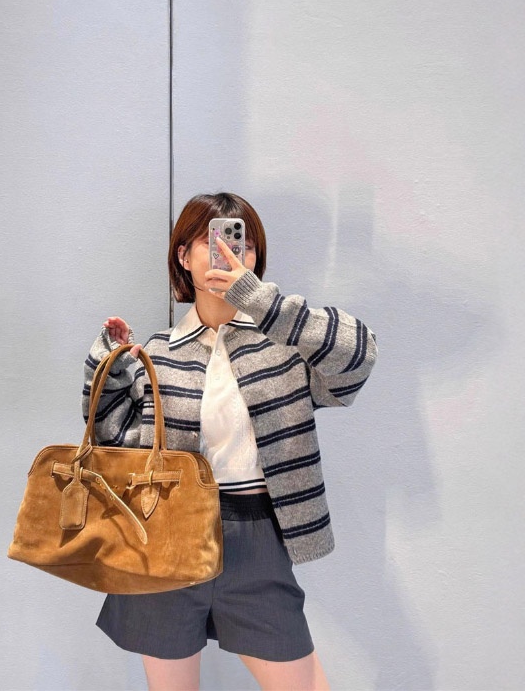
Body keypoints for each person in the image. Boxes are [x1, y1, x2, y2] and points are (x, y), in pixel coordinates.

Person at [82, 192, 377, 691]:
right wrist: (106, 367)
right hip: (165, 540)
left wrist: (260, 300)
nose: (228, 252)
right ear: (183, 256)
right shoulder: (158, 352)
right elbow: (110, 440)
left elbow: (358, 357)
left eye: (242, 243)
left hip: (258, 539)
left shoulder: (285, 348)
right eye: (210, 240)